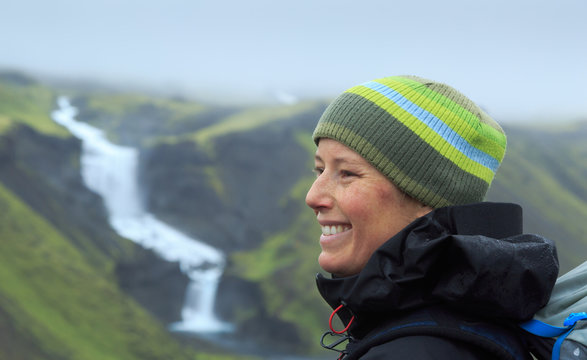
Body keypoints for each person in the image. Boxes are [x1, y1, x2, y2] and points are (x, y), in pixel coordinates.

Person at [305, 75, 559, 359]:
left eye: (347, 173)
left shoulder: (416, 351)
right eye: (319, 170)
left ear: (426, 199)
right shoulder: (468, 319)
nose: (313, 197)